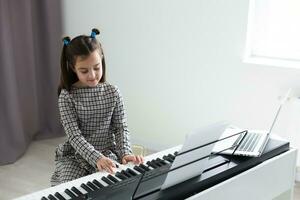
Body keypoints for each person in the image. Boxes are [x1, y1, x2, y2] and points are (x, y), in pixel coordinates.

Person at [51, 28, 143, 186]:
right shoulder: (67, 96)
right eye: (84, 71)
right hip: (76, 155)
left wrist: (125, 153)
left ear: (102, 60)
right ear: (73, 68)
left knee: (111, 184)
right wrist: (96, 158)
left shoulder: (112, 92)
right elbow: (74, 136)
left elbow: (121, 128)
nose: (92, 75)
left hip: (107, 152)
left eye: (96, 67)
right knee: (70, 187)